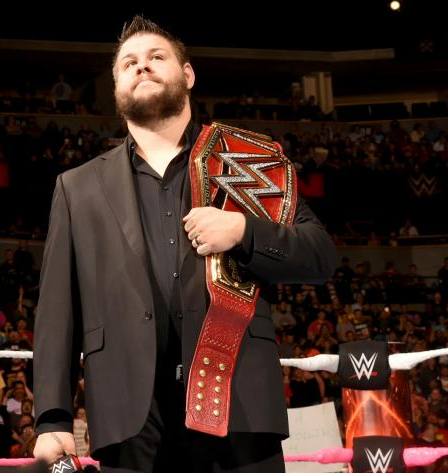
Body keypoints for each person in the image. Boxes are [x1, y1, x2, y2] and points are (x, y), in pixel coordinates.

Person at [33, 16, 335, 473]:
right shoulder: (77, 187)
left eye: (157, 57)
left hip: (238, 405)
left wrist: (245, 232)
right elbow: (57, 310)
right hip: (129, 416)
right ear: (116, 87)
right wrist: (52, 417)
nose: (142, 66)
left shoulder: (245, 159)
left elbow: (319, 255)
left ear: (188, 74)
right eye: (129, 63)